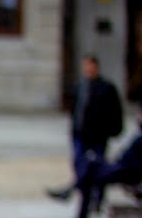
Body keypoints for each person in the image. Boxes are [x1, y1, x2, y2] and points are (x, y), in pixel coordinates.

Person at [60, 103, 142, 218]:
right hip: (124, 168)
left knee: (89, 169)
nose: (138, 117)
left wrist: (121, 163)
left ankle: (75, 200)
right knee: (90, 164)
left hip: (126, 170)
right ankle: (73, 193)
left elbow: (137, 160)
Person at [47, 54, 123, 201]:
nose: (88, 69)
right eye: (86, 66)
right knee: (80, 164)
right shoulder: (80, 87)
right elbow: (75, 110)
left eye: (90, 66)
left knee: (97, 167)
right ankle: (79, 193)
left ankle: (91, 196)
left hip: (98, 135)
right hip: (80, 133)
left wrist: (113, 130)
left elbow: (114, 112)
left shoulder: (106, 88)